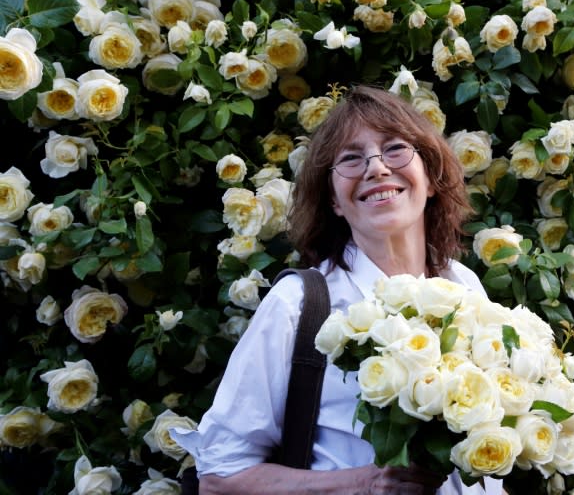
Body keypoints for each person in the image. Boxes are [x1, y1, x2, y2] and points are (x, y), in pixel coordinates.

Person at [171, 85, 505, 495]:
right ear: (333, 199)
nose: (377, 168)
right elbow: (220, 479)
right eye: (351, 158)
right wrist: (365, 485)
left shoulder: (463, 286)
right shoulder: (300, 306)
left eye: (396, 149)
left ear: (431, 177)